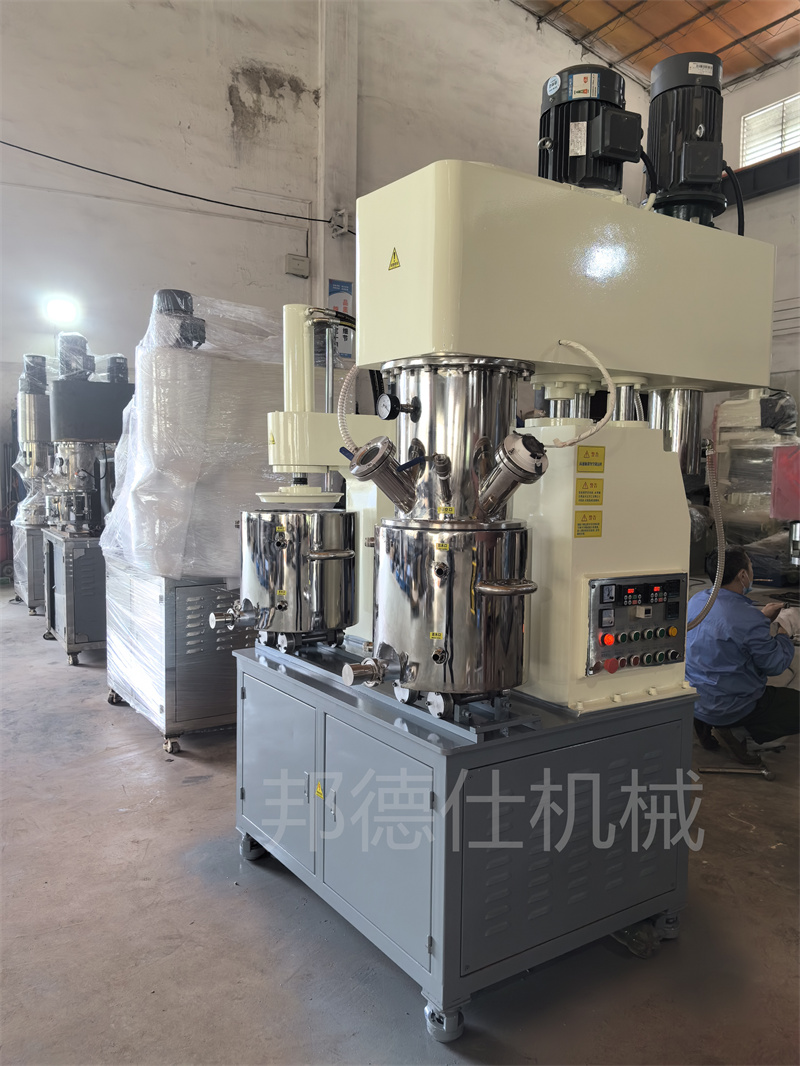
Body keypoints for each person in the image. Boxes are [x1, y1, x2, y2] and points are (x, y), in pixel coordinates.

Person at [685, 547, 798, 764]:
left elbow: (729, 628)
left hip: (695, 698)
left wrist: (762, 618)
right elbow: (775, 665)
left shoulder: (696, 600)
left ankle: (703, 722)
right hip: (729, 706)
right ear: (743, 575)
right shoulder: (748, 620)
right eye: (751, 567)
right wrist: (785, 629)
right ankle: (734, 730)